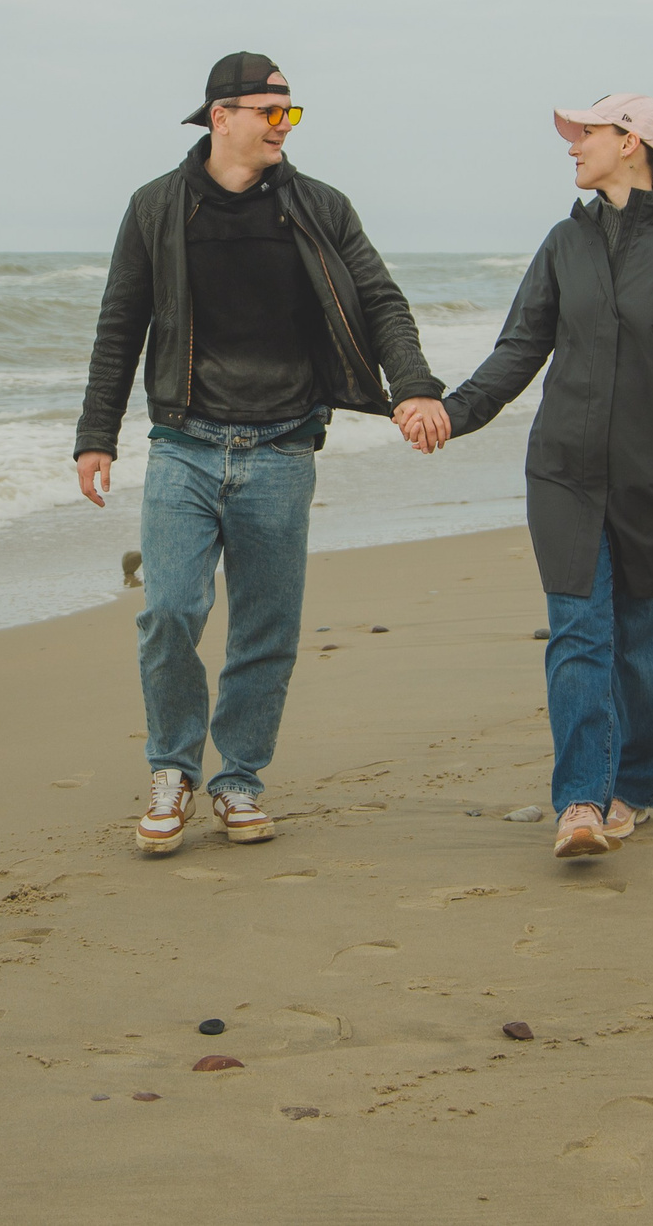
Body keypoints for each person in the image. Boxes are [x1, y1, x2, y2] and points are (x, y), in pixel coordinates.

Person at [74, 51, 451, 856]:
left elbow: (381, 299)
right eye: (269, 111)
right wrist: (95, 434)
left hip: (282, 446)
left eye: (291, 112)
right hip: (184, 444)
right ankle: (172, 769)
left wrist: (414, 385)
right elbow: (120, 324)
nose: (283, 125)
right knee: (169, 611)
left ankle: (238, 777)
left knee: (265, 627)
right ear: (221, 117)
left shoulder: (319, 207)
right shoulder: (156, 207)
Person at [424, 93, 653, 858]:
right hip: (564, 473)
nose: (573, 147)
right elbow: (518, 348)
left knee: (648, 651)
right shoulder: (563, 243)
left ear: (632, 143)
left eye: (587, 133)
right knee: (578, 633)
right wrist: (450, 413)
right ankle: (580, 800)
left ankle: (634, 784)